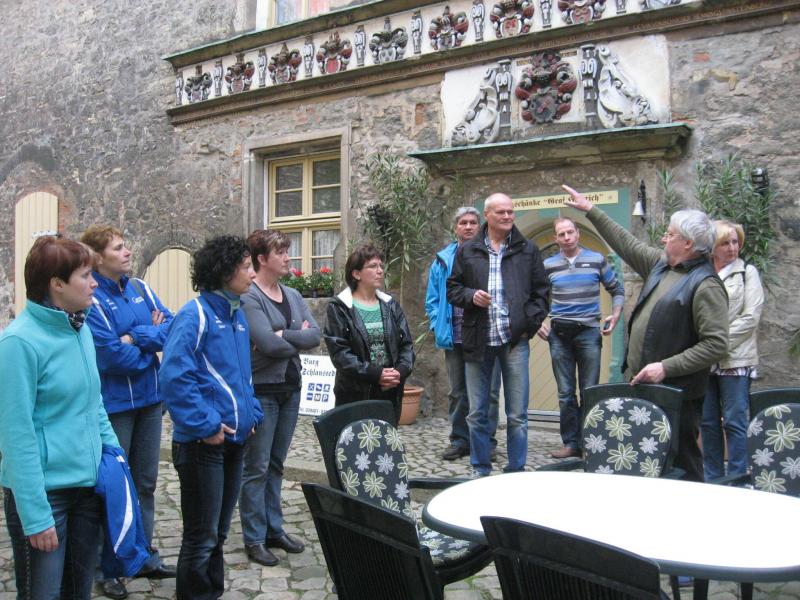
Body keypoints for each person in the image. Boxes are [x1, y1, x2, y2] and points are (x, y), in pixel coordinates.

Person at [563, 184, 729, 482]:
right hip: (644, 386)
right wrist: (591, 210)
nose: (665, 238)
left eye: (671, 234)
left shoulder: (706, 285)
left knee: (682, 463)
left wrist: (665, 367)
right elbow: (626, 243)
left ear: (688, 243)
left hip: (677, 393)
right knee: (645, 462)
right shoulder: (661, 265)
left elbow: (716, 344)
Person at [0, 235, 120, 599]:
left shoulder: (80, 329)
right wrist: (35, 515)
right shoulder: (19, 343)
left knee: (78, 592)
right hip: (46, 495)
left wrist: (115, 458)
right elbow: (16, 435)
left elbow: (94, 404)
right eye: (86, 275)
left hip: (87, 489)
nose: (95, 282)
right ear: (57, 284)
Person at [159, 236, 264, 600]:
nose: (253, 274)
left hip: (234, 440)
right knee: (201, 536)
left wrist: (252, 414)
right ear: (223, 271)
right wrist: (205, 425)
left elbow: (242, 378)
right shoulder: (195, 315)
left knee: (218, 533)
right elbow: (174, 377)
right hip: (203, 445)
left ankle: (211, 593)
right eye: (246, 267)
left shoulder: (237, 315)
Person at [80, 225, 176, 599]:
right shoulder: (93, 300)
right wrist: (148, 345)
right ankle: (107, 567)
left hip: (150, 402)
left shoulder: (141, 289)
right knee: (113, 487)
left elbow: (172, 328)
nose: (127, 252)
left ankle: (142, 555)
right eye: (118, 248)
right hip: (116, 407)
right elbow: (110, 356)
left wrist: (136, 336)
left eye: (126, 245)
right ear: (97, 257)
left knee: (146, 483)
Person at [447, 193, 550, 477]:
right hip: (478, 339)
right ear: (488, 215)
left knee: (517, 414)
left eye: (510, 212)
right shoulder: (468, 250)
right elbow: (453, 289)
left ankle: (515, 470)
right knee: (476, 412)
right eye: (501, 212)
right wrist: (471, 296)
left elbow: (542, 293)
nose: (507, 216)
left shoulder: (528, 249)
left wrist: (528, 325)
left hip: (514, 341)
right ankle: (480, 468)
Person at [239, 230, 321, 567]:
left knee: (276, 463)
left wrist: (283, 334)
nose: (288, 257)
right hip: (263, 391)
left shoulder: (292, 294)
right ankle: (254, 537)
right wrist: (294, 337)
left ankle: (274, 528)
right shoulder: (250, 296)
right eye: (282, 252)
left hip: (290, 387)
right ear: (262, 258)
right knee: (256, 466)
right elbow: (266, 344)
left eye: (287, 251)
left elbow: (316, 336)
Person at [536, 217, 625, 459]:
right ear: (555, 238)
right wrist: (537, 322)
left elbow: (616, 289)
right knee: (565, 393)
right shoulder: (548, 265)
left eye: (570, 232)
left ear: (578, 233)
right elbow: (534, 296)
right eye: (561, 234)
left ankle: (590, 444)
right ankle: (571, 444)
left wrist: (615, 314)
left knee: (589, 391)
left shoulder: (596, 259)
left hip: (588, 333)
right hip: (559, 335)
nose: (566, 237)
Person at [426, 207, 501, 461]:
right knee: (458, 392)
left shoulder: (491, 253)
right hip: (454, 334)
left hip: (485, 334)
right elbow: (433, 299)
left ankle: (486, 441)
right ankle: (460, 440)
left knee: (489, 392)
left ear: (480, 226)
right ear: (455, 227)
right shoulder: (442, 260)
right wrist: (437, 324)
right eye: (463, 222)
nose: (468, 227)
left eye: (472, 222)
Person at [323, 244, 415, 425]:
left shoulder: (390, 305)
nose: (380, 271)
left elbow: (406, 345)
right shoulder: (340, 307)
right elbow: (340, 353)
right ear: (356, 274)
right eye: (373, 266)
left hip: (389, 390)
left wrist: (399, 372)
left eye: (381, 266)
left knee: (385, 441)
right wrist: (375, 373)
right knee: (356, 440)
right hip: (354, 392)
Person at [701, 220, 764, 481]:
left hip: (735, 359)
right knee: (707, 422)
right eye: (725, 243)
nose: (732, 248)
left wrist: (716, 343)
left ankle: (737, 479)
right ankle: (713, 479)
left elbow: (750, 318)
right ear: (713, 246)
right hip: (704, 361)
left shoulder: (747, 273)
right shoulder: (702, 272)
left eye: (735, 242)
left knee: (735, 422)